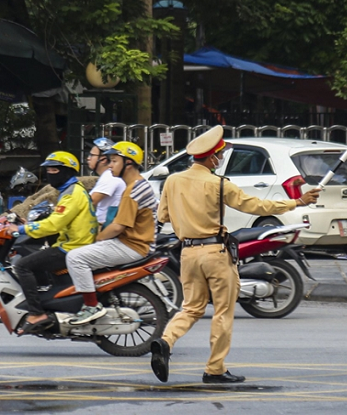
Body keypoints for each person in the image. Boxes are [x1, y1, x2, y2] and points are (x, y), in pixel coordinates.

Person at [150, 125, 322, 384]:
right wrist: (298, 202)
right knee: (222, 311)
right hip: (215, 252)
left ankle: (166, 341)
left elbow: (163, 216)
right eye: (219, 156)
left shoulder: (172, 181)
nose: (220, 160)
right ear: (211, 158)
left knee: (191, 308)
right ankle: (215, 369)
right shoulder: (219, 184)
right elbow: (257, 205)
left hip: (187, 253)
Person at [5, 151, 98, 335]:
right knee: (35, 261)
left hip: (72, 248)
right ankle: (50, 304)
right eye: (48, 170)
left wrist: (21, 230)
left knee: (23, 266)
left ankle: (36, 313)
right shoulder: (70, 191)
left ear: (68, 171)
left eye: (54, 169)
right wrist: (28, 224)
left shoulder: (72, 194)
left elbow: (55, 224)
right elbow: (57, 217)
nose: (50, 173)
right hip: (71, 244)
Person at [65, 141, 157, 325]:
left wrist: (98, 238)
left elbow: (118, 227)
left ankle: (91, 306)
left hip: (132, 246)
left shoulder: (132, 191)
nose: (110, 165)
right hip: (135, 243)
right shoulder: (138, 185)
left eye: (114, 161)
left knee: (75, 258)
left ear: (128, 163)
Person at [86, 137, 126, 228]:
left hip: (104, 226)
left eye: (92, 155)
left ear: (103, 159)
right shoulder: (107, 175)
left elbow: (90, 202)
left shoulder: (110, 176)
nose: (88, 158)